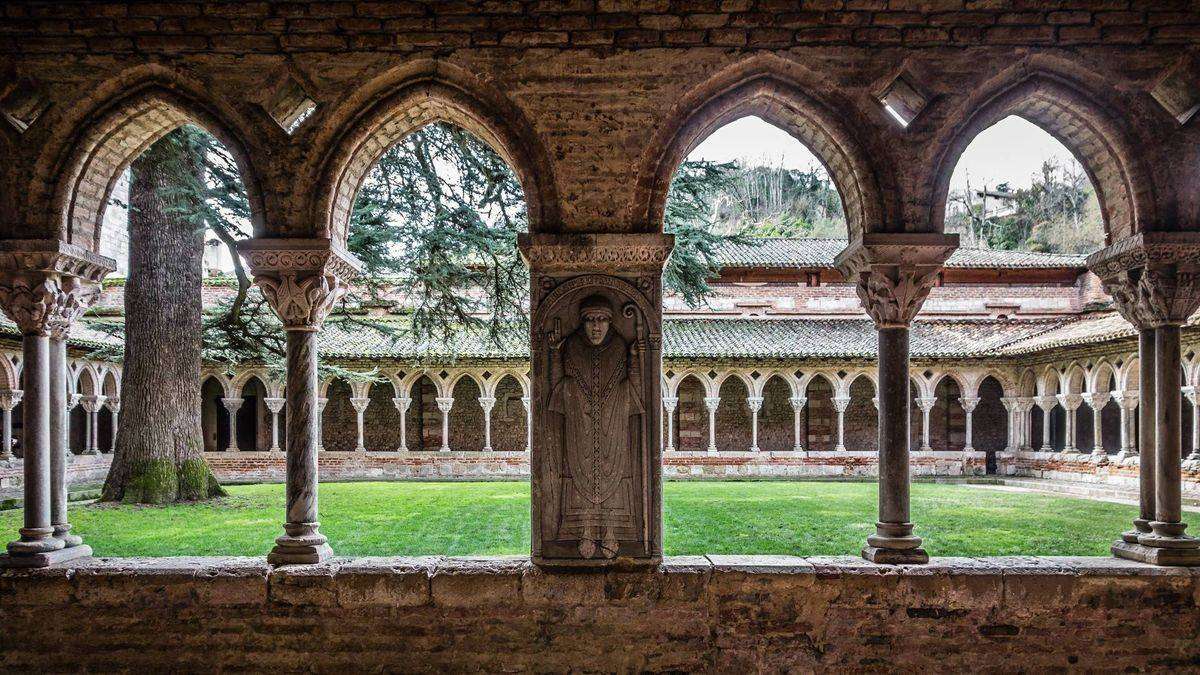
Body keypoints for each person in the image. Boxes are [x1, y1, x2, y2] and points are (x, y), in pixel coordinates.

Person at [547, 294, 644, 558]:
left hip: (613, 425)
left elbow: (631, 388)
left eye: (601, 319)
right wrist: (555, 354)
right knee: (579, 473)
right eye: (590, 320)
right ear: (582, 322)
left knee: (616, 472)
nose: (596, 326)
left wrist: (634, 358)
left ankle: (613, 530)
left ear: (610, 322)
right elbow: (560, 387)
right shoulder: (573, 347)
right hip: (580, 426)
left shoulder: (618, 348)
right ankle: (585, 530)